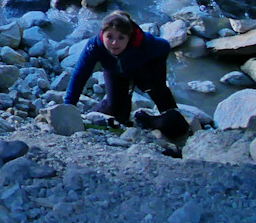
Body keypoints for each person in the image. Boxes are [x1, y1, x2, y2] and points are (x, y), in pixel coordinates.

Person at [63, 9, 189, 138]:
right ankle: (92, 116)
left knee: (176, 123)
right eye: (109, 37)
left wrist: (155, 76)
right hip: (116, 72)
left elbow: (165, 46)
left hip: (144, 70)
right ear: (102, 34)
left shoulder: (144, 42)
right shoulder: (95, 45)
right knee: (117, 113)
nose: (114, 43)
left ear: (129, 37)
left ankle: (150, 121)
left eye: (121, 38)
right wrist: (68, 106)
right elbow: (80, 74)